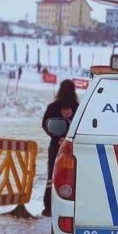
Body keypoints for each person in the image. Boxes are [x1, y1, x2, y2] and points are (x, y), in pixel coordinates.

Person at [41, 79, 79, 216]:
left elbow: (45, 124)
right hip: (75, 147)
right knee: (73, 176)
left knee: (53, 175)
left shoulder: (53, 107)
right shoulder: (79, 107)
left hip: (55, 146)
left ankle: (49, 207)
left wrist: (57, 138)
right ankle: (71, 205)